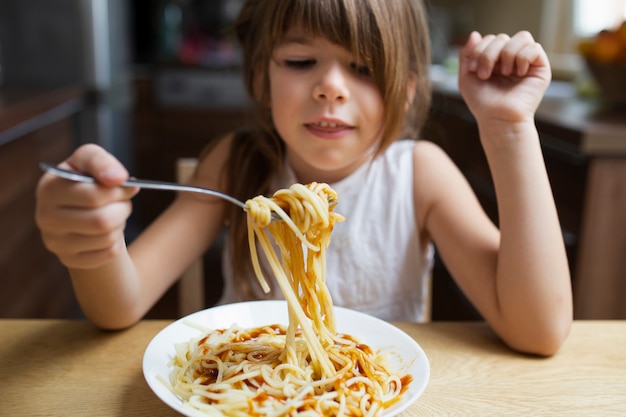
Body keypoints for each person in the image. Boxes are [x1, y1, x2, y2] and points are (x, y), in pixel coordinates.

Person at [35, 0, 572, 356]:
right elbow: (119, 305)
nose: (331, 87)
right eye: (299, 60)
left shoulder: (419, 173)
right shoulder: (234, 162)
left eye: (362, 69)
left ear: (406, 89)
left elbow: (539, 330)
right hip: (247, 390)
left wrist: (508, 132)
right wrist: (96, 244)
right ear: (261, 79)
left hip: (371, 393)